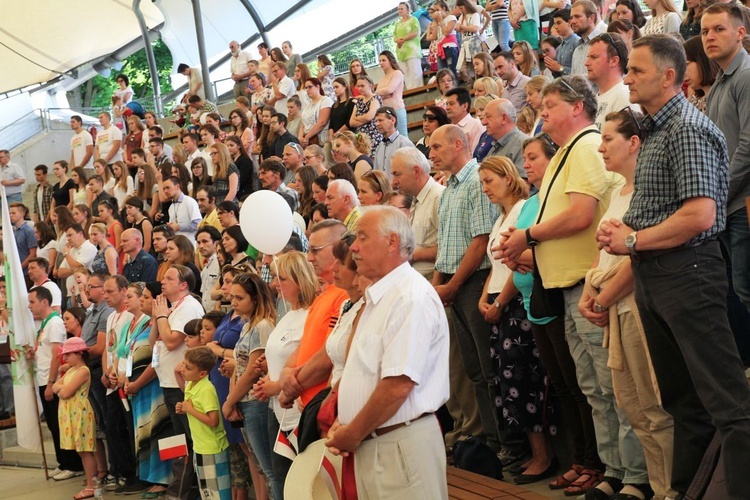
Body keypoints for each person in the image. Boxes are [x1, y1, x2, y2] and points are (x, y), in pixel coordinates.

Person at [595, 33, 750, 498]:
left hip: (689, 273)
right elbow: (666, 207)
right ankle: (685, 491)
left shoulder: (688, 127)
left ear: (668, 76)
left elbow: (701, 214)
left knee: (729, 405)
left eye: (637, 70)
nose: (627, 78)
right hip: (657, 276)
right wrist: (630, 232)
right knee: (683, 403)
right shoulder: (657, 129)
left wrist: (633, 237)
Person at [499, 75, 632, 498]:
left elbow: (580, 215)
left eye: (550, 105)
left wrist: (528, 236)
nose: (542, 111)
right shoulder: (567, 153)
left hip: (586, 282)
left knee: (609, 387)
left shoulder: (588, 145)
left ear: (577, 107)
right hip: (565, 285)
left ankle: (632, 474)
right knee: (591, 387)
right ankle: (611, 468)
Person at [579, 109, 676, 500]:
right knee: (633, 408)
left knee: (655, 408)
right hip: (614, 306)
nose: (600, 148)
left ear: (634, 143)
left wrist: (601, 297)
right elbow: (602, 254)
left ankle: (672, 489)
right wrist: (591, 291)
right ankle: (656, 487)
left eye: (608, 140)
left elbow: (638, 258)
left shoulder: (645, 192)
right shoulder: (619, 192)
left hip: (636, 305)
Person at [326, 206, 449, 499]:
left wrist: (353, 431)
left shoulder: (409, 297)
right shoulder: (381, 297)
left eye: (363, 238)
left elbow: (398, 385)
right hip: (378, 443)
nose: (353, 247)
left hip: (399, 445)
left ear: (392, 242)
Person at [477, 156, 556, 486]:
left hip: (515, 306)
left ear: (508, 178)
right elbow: (496, 266)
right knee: (507, 383)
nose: (485, 189)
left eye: (489, 181)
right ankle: (529, 452)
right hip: (498, 303)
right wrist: (485, 298)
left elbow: (515, 264)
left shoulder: (521, 209)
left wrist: (501, 300)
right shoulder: (499, 219)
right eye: (482, 183)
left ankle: (543, 455)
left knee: (524, 381)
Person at [430, 125, 502, 454]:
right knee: (473, 370)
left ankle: (504, 443)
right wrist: (437, 286)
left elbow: (481, 241)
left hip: (472, 283)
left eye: (436, 146)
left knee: (488, 369)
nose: (431, 153)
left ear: (458, 144)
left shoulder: (475, 182)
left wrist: (453, 285)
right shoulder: (448, 189)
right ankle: (487, 443)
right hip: (454, 285)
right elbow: (446, 246)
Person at [703, 3, 750, 324]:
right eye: (705, 31)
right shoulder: (720, 82)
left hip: (743, 204)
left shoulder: (746, 76)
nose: (709, 37)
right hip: (728, 205)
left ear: (741, 32)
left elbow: (748, 146)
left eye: (719, 29)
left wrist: (718, 193)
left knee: (746, 289)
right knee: (739, 291)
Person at [222, 274, 279, 499]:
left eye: (240, 298)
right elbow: (239, 367)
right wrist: (233, 398)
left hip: (257, 401)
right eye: (233, 297)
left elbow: (253, 370)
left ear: (255, 299)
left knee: (270, 469)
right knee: (261, 466)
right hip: (245, 401)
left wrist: (229, 401)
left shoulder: (262, 326)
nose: (233, 302)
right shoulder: (247, 326)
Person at [152, 265, 205, 498]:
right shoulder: (173, 308)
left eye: (170, 278)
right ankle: (178, 487)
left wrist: (162, 316)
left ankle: (183, 491)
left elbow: (172, 341)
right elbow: (155, 339)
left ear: (184, 285)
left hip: (182, 384)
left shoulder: (189, 306)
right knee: (176, 439)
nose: (163, 282)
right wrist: (159, 316)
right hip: (168, 382)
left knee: (187, 440)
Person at [121, 282, 171, 497]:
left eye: (146, 297)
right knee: (145, 433)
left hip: (152, 387)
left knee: (158, 431)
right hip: (138, 388)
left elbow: (156, 359)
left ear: (159, 301)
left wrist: (138, 382)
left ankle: (164, 479)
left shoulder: (160, 323)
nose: (142, 300)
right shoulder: (144, 324)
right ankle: (151, 477)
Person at [28, 287, 84, 481]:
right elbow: (44, 352)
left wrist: (52, 382)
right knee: (53, 425)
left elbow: (56, 357)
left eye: (32, 302)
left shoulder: (55, 323)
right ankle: (63, 463)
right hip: (43, 378)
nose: (29, 306)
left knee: (60, 425)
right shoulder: (44, 324)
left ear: (45, 302)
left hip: (50, 379)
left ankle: (73, 464)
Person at [176, 346, 231, 500]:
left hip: (212, 448)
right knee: (207, 492)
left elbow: (213, 421)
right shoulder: (191, 384)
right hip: (200, 446)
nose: (182, 369)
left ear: (202, 373)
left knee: (217, 494)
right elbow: (193, 408)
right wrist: (184, 409)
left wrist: (190, 410)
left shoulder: (206, 389)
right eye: (183, 364)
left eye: (188, 367)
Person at [390, 147, 445, 280]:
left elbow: (450, 248)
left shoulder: (439, 197)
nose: (393, 182)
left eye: (397, 174)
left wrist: (411, 254)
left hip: (432, 286)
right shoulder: (417, 199)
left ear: (416, 171)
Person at [52, 337, 97, 500]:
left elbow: (64, 392)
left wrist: (61, 388)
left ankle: (92, 485)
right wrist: (61, 388)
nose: (65, 358)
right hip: (71, 412)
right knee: (80, 449)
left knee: (85, 449)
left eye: (69, 354)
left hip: (80, 412)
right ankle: (91, 482)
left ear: (79, 354)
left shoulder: (83, 371)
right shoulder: (71, 370)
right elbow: (57, 386)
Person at [586, 32, 636, 129]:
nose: (586, 63)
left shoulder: (624, 96)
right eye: (588, 57)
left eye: (594, 57)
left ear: (614, 61)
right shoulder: (596, 97)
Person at [482, 98, 529, 177]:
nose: (483, 122)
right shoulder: (494, 147)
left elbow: (524, 186)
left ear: (504, 118)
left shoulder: (524, 144)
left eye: (488, 116)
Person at [372, 107, 415, 176]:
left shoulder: (404, 144)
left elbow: (412, 171)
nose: (377, 124)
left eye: (380, 120)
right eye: (376, 121)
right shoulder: (379, 147)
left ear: (392, 120)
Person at [570, 0, 608, 76]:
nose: (573, 21)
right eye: (571, 17)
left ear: (591, 18)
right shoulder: (577, 51)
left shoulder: (605, 41)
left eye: (577, 16)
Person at [376, 50, 408, 137]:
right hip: (386, 111)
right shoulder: (383, 78)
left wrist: (381, 93)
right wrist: (383, 93)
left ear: (390, 60)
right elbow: (378, 95)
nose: (381, 63)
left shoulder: (397, 73)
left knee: (402, 136)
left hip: (397, 109)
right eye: (380, 61)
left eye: (383, 60)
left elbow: (389, 90)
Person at [683, 35, 718, 114]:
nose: (683, 73)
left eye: (686, 65)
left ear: (702, 61)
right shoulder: (695, 99)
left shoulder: (720, 99)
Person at [445, 87, 486, 153]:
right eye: (446, 104)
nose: (447, 108)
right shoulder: (448, 129)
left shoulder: (476, 125)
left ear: (464, 106)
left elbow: (477, 155)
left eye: (451, 104)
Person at [350, 76, 383, 155]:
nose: (360, 88)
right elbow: (351, 122)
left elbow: (369, 117)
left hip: (373, 135)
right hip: (361, 138)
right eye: (358, 86)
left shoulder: (375, 98)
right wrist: (364, 119)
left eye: (362, 86)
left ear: (370, 86)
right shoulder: (359, 101)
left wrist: (356, 118)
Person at [395, 2, 424, 89]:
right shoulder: (398, 24)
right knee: (405, 72)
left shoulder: (413, 19)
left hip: (412, 50)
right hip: (401, 51)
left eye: (401, 9)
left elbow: (415, 32)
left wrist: (403, 39)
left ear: (407, 10)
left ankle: (418, 89)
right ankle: (410, 89)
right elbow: (394, 36)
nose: (399, 11)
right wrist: (398, 40)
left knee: (415, 70)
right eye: (398, 9)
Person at [162, 176, 201, 241]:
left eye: (168, 188)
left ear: (177, 186)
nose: (165, 191)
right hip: (178, 245)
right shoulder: (171, 207)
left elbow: (198, 224)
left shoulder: (189, 201)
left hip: (191, 244)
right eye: (164, 189)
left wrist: (178, 227)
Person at [299, 78, 333, 148]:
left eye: (310, 87)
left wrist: (306, 137)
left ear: (318, 87)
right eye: (306, 88)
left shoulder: (325, 100)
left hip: (321, 142)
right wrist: (300, 137)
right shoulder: (308, 105)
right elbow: (303, 123)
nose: (307, 90)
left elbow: (322, 122)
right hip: (308, 141)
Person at [545, 10, 581, 77]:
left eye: (559, 23)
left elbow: (579, 71)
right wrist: (553, 70)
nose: (555, 27)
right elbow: (558, 76)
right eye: (555, 24)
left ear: (569, 22)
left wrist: (560, 68)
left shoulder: (577, 42)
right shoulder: (559, 48)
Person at [429, 1, 460, 77]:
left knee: (451, 72)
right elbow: (434, 37)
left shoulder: (451, 18)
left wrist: (441, 21)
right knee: (442, 73)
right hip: (440, 49)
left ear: (444, 8)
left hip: (450, 47)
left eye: (437, 10)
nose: (436, 12)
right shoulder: (438, 22)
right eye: (435, 11)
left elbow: (447, 32)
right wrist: (435, 22)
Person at [196, 226, 222, 311]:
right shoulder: (206, 267)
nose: (201, 246)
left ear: (216, 243)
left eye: (205, 241)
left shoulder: (220, 263)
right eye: (199, 242)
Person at [9, 203, 37, 274]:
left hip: (26, 271)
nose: (11, 215)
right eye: (10, 213)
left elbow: (33, 253)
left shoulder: (28, 231)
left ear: (22, 214)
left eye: (14, 213)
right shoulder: (13, 231)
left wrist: (21, 266)